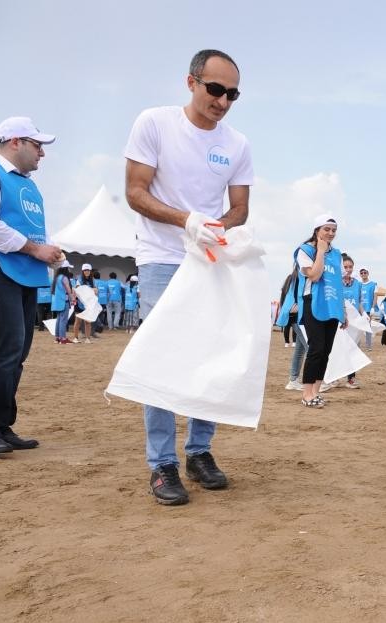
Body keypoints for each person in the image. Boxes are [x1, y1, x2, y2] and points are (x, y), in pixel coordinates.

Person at [124, 48, 253, 505]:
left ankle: (199, 451)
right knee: (161, 360)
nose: (222, 101)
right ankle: (161, 464)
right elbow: (136, 193)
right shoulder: (155, 124)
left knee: (209, 358)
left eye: (232, 94)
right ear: (191, 82)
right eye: (215, 89)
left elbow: (240, 207)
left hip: (208, 260)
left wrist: (216, 229)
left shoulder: (236, 144)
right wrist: (187, 221)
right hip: (160, 257)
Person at [0, 116, 63, 455]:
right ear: (16, 142)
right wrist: (34, 249)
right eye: (37, 145)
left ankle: (0, 424)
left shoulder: (27, 184)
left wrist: (49, 252)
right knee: (5, 348)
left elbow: (30, 229)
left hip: (23, 270)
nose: (42, 153)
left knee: (18, 351)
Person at [295, 215, 345, 406]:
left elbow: (338, 284)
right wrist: (321, 252)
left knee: (326, 351)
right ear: (317, 230)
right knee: (315, 349)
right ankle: (306, 394)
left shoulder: (337, 254)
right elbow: (315, 276)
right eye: (327, 229)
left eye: (334, 230)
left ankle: (316, 391)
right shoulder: (305, 250)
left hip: (332, 304)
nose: (331, 233)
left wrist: (343, 311)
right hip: (313, 302)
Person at [276, 268, 308, 391]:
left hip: (296, 318)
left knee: (300, 351)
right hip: (297, 318)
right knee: (310, 349)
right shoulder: (296, 279)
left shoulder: (291, 279)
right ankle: (315, 380)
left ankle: (293, 380)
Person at [339, 254, 362, 389]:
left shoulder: (357, 284)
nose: (348, 269)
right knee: (338, 349)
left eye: (350, 267)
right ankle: (333, 378)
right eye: (345, 267)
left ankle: (351, 379)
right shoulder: (336, 283)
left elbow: (359, 302)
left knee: (353, 350)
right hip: (340, 322)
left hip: (354, 323)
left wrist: (364, 314)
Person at [72, 263, 96, 343]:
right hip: (80, 303)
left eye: (88, 270)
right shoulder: (79, 279)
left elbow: (96, 291)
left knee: (88, 322)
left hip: (88, 304)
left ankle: (87, 338)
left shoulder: (93, 280)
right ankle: (75, 338)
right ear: (83, 271)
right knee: (78, 321)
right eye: (85, 270)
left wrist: (90, 290)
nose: (87, 272)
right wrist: (90, 290)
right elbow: (78, 290)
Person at [358, 267, 377, 351]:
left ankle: (368, 346)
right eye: (361, 273)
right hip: (359, 309)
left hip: (368, 309)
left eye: (365, 272)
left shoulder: (373, 284)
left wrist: (373, 307)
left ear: (368, 273)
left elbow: (375, 297)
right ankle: (357, 345)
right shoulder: (358, 284)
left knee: (367, 328)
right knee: (358, 327)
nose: (363, 274)